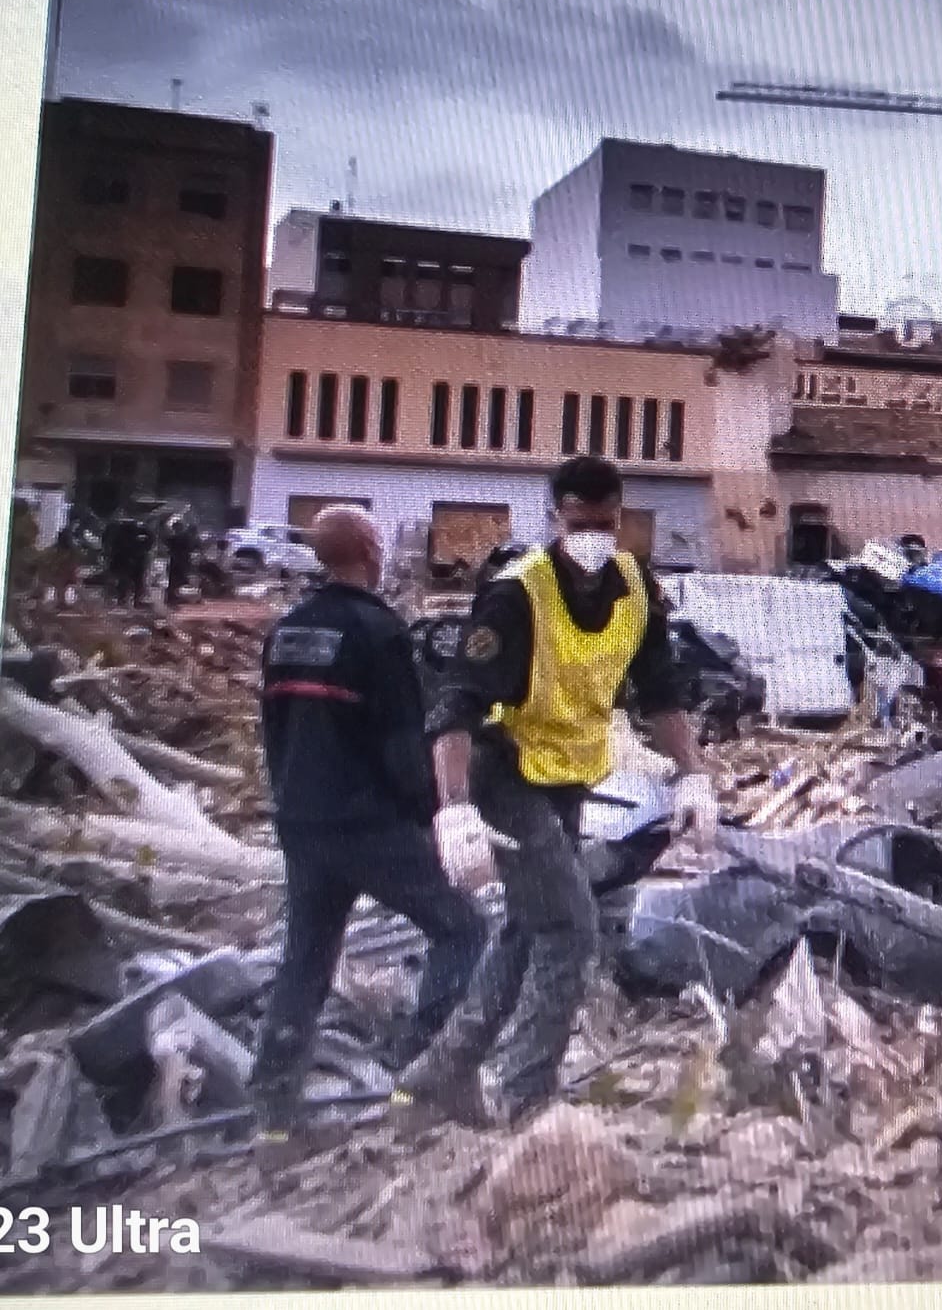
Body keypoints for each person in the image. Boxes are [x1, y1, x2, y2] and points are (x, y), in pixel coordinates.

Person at [396, 456, 718, 1127]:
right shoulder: (517, 594)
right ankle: (525, 1097)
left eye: (605, 523)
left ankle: (433, 1078)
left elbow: (659, 689)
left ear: (620, 515)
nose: (594, 537)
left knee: (524, 926)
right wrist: (453, 810)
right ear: (555, 518)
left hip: (568, 777)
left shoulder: (635, 586)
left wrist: (691, 770)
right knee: (571, 930)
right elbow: (453, 707)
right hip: (505, 775)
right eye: (580, 524)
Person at [249, 507, 486, 1154]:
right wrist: (432, 817)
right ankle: (418, 1079)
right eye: (378, 541)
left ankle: (274, 1116)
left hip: (303, 819)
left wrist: (291, 801)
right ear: (369, 550)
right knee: (462, 928)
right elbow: (403, 743)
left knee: (306, 958)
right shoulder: (379, 632)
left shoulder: (287, 631)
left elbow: (273, 733)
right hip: (369, 823)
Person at [163, 515, 198, 607]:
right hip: (177, 561)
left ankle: (176, 598)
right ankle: (173, 598)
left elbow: (190, 547)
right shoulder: (179, 537)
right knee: (175, 581)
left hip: (180, 561)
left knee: (179, 580)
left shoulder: (181, 537)